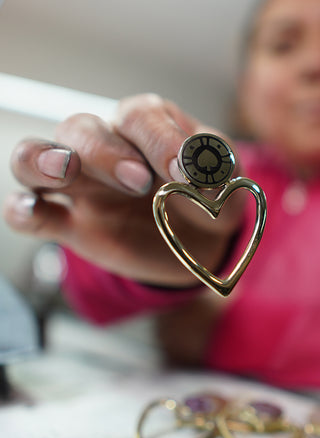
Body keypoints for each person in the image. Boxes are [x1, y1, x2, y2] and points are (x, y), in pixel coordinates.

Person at [4, 0, 320, 389]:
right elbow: (88, 293)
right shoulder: (213, 177)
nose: (314, 65)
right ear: (246, 87)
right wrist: (166, 279)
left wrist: (231, 327)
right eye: (284, 45)